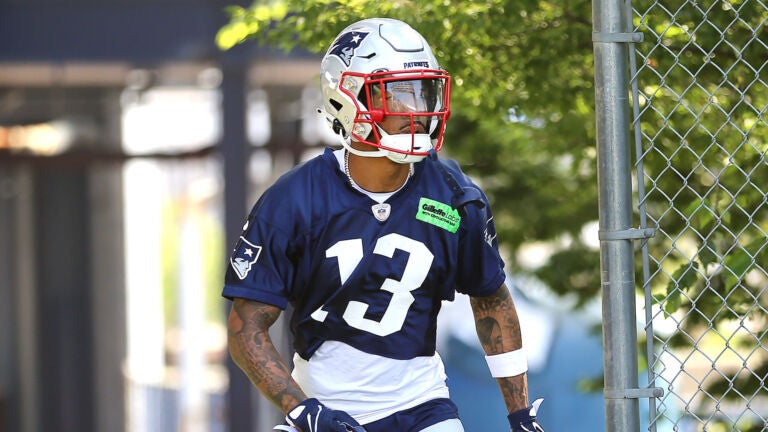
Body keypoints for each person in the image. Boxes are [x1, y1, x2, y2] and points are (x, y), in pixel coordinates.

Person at [223, 17, 545, 432]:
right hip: (325, 407)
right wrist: (303, 410)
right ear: (347, 98)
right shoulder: (294, 201)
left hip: (422, 406)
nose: (418, 111)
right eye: (398, 94)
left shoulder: (455, 195)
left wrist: (518, 414)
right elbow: (246, 326)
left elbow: (491, 301)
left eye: (424, 92)